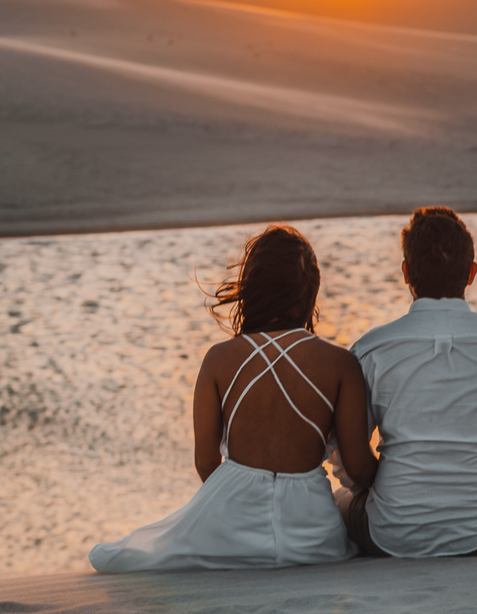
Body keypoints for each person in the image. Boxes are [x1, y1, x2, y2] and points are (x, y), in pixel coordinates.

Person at [90, 225, 376, 572]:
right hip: (311, 534)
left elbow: (206, 463)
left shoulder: (217, 359)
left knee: (135, 551)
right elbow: (360, 468)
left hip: (229, 531)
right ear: (311, 291)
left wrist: (235, 508)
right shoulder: (340, 363)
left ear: (251, 289)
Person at [333, 206, 477, 558]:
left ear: (405, 272)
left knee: (340, 501)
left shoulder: (372, 349)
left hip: (393, 533)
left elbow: (346, 456)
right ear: (471, 273)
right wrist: (472, 489)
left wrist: (375, 490)